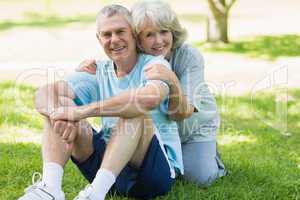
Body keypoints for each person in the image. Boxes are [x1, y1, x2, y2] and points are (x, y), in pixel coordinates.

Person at [18, 5, 183, 200]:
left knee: (134, 111)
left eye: (120, 32)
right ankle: (50, 189)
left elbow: (149, 99)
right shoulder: (98, 70)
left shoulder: (154, 65)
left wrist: (83, 112)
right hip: (110, 171)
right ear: (99, 39)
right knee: (60, 103)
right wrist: (58, 113)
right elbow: (45, 92)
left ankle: (94, 195)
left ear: (133, 34)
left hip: (150, 175)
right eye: (107, 34)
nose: (114, 39)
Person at [79, 0, 226, 187]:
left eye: (164, 31)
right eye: (149, 35)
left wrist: (171, 80)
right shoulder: (137, 58)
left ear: (173, 31)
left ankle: (210, 154)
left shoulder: (188, 56)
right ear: (137, 38)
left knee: (201, 178)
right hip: (161, 131)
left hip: (193, 128)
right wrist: (89, 67)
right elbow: (113, 64)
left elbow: (182, 113)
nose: (159, 41)